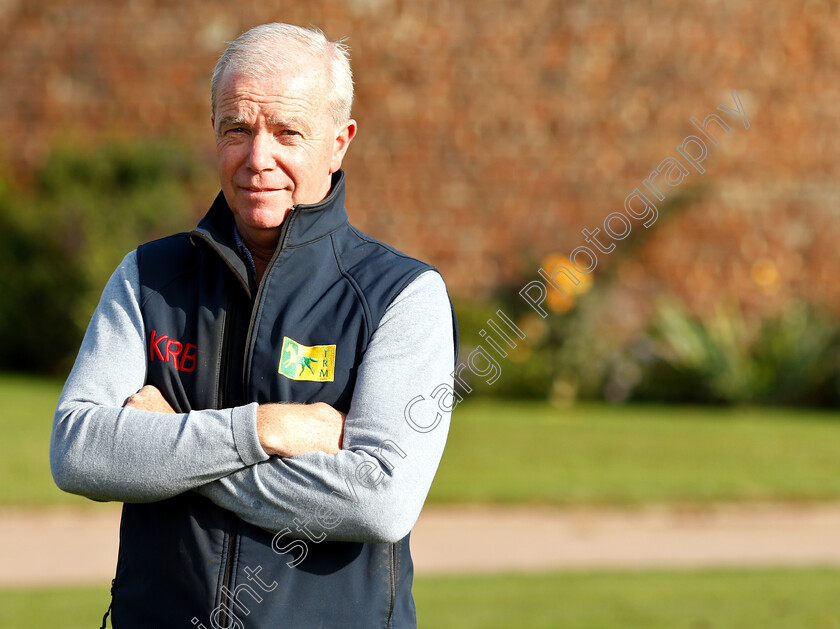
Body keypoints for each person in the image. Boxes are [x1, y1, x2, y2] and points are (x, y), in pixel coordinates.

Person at [51, 23, 457, 629]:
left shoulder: (402, 295)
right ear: (214, 131)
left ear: (339, 142)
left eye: (288, 132)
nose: (257, 158)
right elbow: (78, 450)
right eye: (237, 128)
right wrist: (267, 427)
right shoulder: (147, 276)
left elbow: (380, 501)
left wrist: (175, 449)